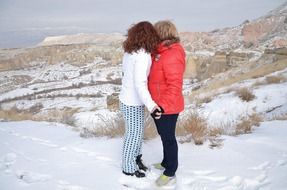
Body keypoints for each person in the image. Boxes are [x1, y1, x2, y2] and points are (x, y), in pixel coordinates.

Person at [119, 21, 162, 178]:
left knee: (137, 133)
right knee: (133, 135)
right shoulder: (142, 55)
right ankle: (128, 167)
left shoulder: (130, 51)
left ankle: (136, 159)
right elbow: (140, 84)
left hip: (128, 99)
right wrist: (152, 106)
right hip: (132, 101)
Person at [148, 20, 186, 186]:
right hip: (158, 105)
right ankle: (165, 163)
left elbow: (174, 85)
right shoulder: (161, 52)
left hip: (167, 107)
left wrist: (162, 106)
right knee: (164, 136)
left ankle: (170, 171)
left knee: (169, 138)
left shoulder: (172, 54)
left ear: (162, 33)